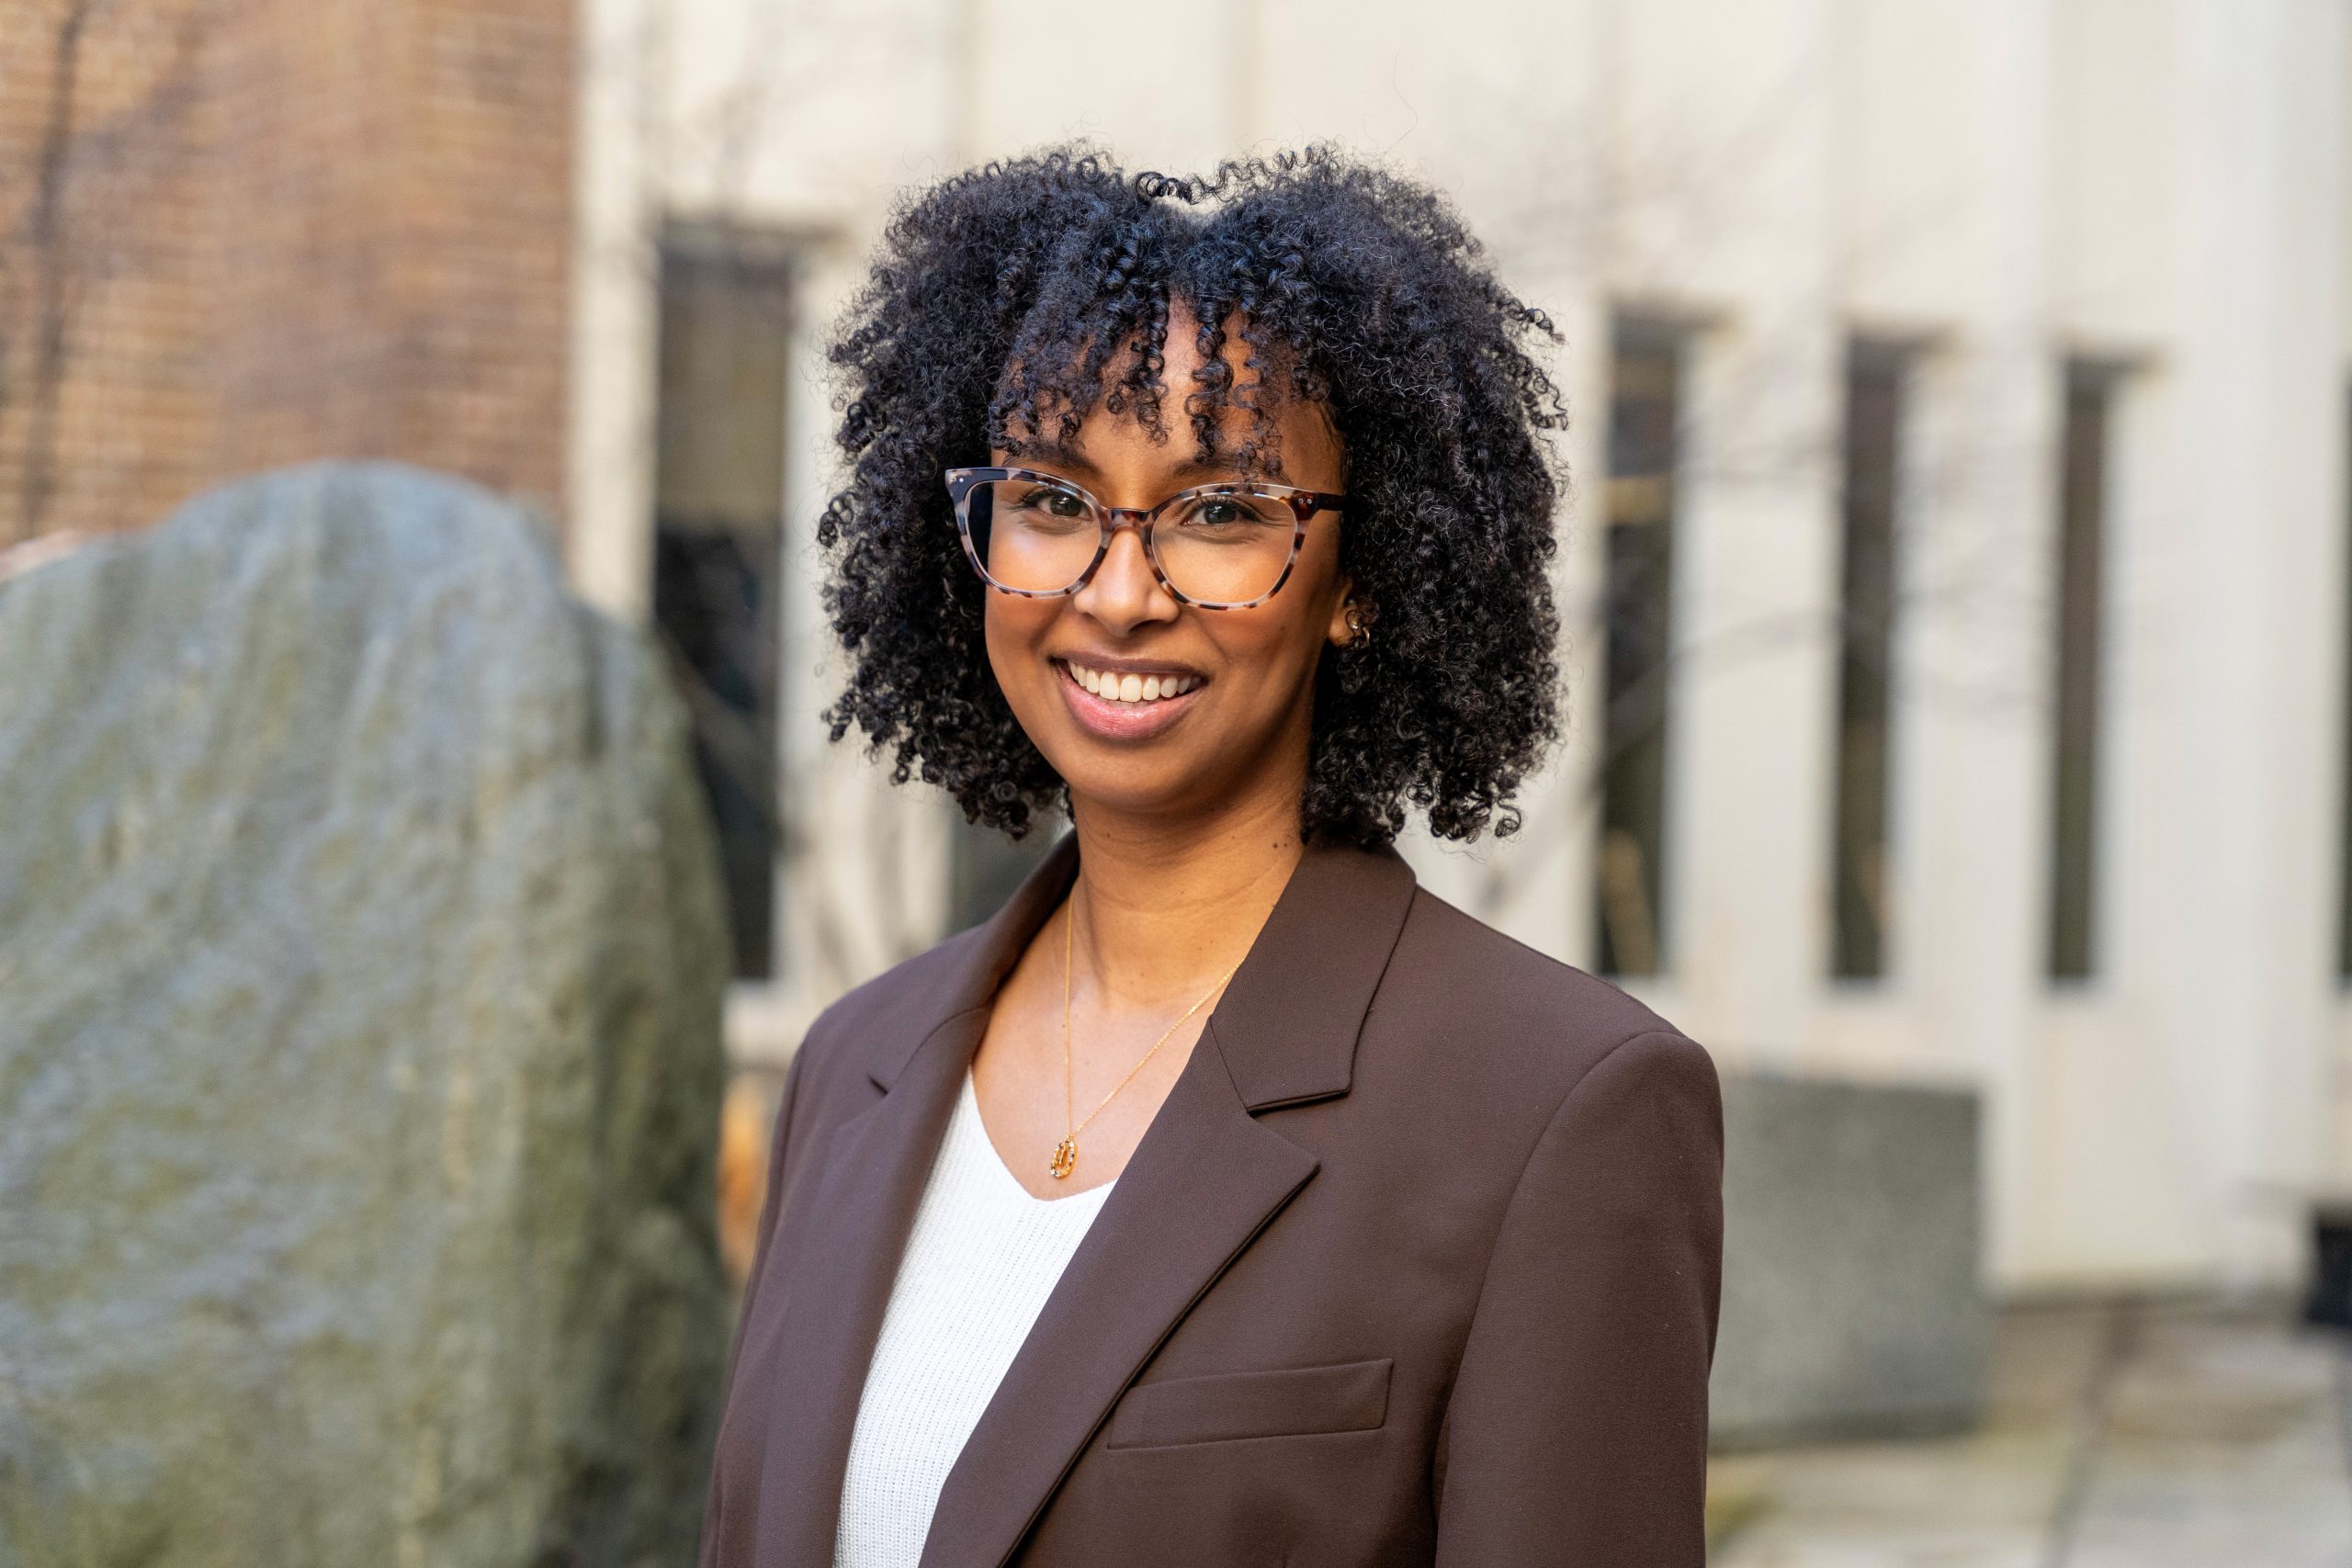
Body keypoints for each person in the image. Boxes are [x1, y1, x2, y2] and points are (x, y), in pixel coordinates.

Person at [697, 147, 1723, 1568]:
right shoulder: (850, 1068)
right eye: (1052, 500)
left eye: (1223, 512)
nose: (1119, 594)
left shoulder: (1558, 1110)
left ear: (1361, 579)